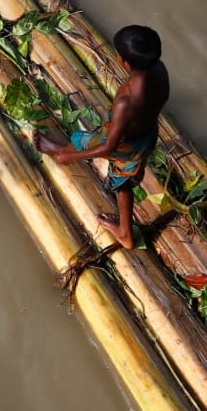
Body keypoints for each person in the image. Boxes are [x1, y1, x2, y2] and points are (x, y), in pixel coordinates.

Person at [33, 25, 169, 250]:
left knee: (120, 183)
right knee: (99, 150)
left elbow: (109, 146)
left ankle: (125, 234)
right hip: (147, 134)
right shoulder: (160, 71)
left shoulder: (127, 102)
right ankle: (63, 150)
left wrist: (74, 158)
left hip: (125, 146)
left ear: (124, 62)